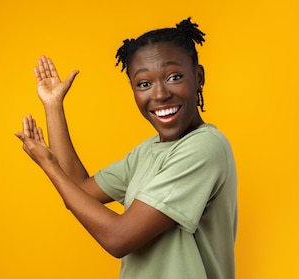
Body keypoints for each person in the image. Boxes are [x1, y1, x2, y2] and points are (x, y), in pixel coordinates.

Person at [14, 17, 237, 279]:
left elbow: (119, 238)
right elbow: (79, 191)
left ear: (198, 77)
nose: (159, 94)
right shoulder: (146, 152)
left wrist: (49, 165)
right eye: (144, 84)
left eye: (174, 77)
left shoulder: (204, 147)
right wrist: (53, 106)